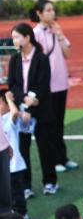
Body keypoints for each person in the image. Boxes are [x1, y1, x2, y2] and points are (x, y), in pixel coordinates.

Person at [8, 22, 58, 197]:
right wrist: (24, 99)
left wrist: (31, 107)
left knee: (45, 148)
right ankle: (26, 185)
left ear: (27, 37)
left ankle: (50, 182)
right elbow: (12, 85)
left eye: (17, 37)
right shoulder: (15, 59)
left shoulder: (41, 59)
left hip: (41, 111)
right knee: (23, 150)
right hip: (22, 111)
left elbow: (43, 86)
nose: (14, 41)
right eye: (13, 38)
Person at [30, 0, 75, 172]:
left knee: (59, 122)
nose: (52, 13)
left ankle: (62, 157)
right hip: (46, 87)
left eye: (52, 10)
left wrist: (60, 35)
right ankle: (54, 160)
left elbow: (68, 54)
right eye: (48, 10)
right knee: (49, 124)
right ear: (39, 13)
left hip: (60, 83)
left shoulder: (56, 30)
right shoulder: (36, 33)